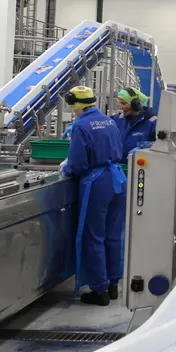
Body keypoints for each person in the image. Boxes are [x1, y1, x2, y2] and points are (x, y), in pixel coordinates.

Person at [61, 86, 125, 306]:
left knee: (93, 236)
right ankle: (113, 283)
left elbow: (78, 164)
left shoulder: (80, 126)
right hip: (117, 179)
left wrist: (66, 169)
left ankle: (99, 290)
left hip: (96, 182)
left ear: (74, 104)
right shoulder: (109, 121)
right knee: (113, 234)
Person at [113, 87, 157, 156]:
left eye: (123, 103)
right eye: (120, 103)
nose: (121, 107)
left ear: (136, 104)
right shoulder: (118, 119)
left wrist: (145, 146)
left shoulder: (152, 122)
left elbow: (163, 146)